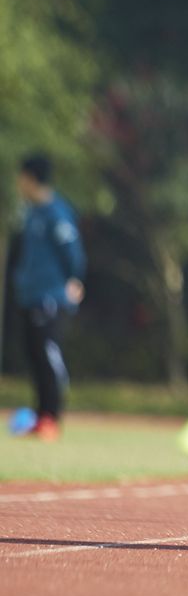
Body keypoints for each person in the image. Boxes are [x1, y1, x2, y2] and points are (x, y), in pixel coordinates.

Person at [11, 154, 86, 441]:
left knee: (47, 356)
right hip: (30, 298)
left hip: (50, 298)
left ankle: (52, 417)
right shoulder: (31, 214)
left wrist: (73, 280)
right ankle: (41, 415)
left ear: (31, 179)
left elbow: (73, 254)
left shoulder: (57, 213)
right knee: (33, 356)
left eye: (21, 177)